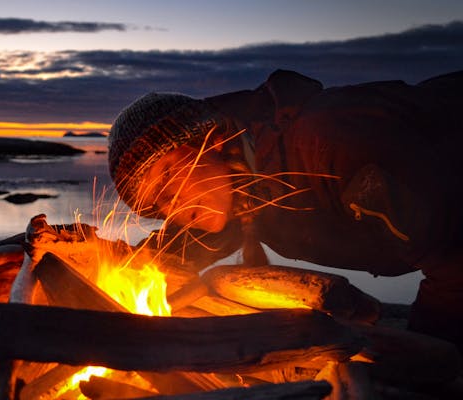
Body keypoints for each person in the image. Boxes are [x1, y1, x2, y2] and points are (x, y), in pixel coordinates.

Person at [108, 69, 463, 348]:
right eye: (158, 202)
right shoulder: (238, 183)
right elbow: (175, 251)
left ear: (211, 140)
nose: (172, 206)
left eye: (169, 176)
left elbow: (454, 263)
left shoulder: (329, 147)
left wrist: (428, 358)